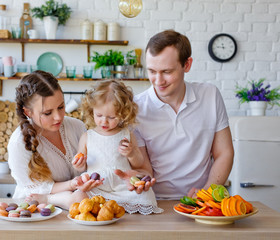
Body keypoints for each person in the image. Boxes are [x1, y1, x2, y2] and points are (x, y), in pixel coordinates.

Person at [134, 30, 234, 200]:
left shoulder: (210, 95)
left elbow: (224, 153)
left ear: (187, 65)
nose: (158, 81)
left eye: (166, 72)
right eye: (152, 71)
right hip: (153, 202)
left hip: (203, 201)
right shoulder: (136, 108)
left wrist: (208, 191)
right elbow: (143, 167)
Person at [7, 70, 102, 209]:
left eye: (61, 107)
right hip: (35, 211)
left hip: (78, 209)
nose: (58, 117)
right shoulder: (18, 144)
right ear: (28, 112)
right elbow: (37, 190)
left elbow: (93, 165)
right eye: (47, 113)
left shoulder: (77, 127)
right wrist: (72, 184)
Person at [72, 80, 163, 214]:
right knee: (79, 195)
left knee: (147, 195)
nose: (104, 121)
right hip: (97, 184)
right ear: (91, 111)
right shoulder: (87, 136)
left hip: (122, 184)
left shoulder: (127, 134)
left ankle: (115, 207)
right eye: (99, 115)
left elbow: (138, 162)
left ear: (123, 114)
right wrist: (79, 164)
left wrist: (131, 153)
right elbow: (80, 167)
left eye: (111, 117)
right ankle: (101, 207)